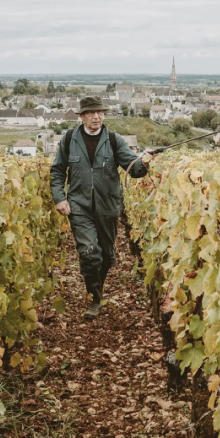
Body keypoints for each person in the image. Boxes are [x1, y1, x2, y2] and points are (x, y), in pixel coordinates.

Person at [50, 96, 151, 319]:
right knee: (89, 252)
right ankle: (94, 297)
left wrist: (144, 162)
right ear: (82, 116)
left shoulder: (115, 140)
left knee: (106, 255)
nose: (97, 116)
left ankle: (97, 288)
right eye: (91, 113)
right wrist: (60, 198)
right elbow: (57, 172)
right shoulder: (68, 139)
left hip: (108, 206)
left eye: (100, 112)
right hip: (79, 206)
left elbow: (133, 169)